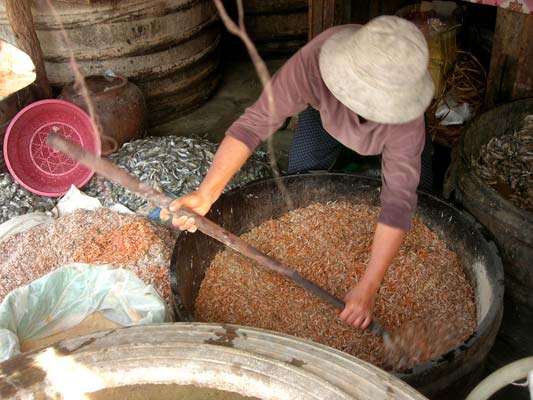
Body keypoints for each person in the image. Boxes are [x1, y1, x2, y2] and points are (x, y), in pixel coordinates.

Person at [160, 15, 434, 330]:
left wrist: (369, 285)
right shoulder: (315, 62)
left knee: (419, 201)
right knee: (302, 176)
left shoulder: (406, 120)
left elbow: (398, 203)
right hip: (324, 119)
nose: (363, 106)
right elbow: (253, 124)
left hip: (400, 138)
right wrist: (206, 193)